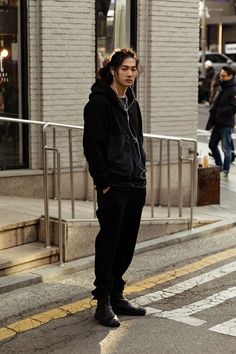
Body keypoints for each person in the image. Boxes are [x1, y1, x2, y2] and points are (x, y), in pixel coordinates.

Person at [83, 48, 146, 327]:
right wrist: (104, 183)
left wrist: (142, 169)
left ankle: (118, 293)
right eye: (125, 69)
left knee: (127, 243)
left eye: (133, 69)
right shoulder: (99, 104)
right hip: (114, 186)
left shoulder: (131, 101)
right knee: (109, 242)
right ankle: (103, 301)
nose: (130, 74)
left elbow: (138, 140)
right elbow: (92, 149)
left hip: (135, 183)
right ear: (113, 70)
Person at [208, 66, 236, 176]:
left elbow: (234, 108)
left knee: (226, 148)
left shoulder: (233, 89)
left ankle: (225, 169)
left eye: (223, 76)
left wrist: (219, 110)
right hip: (217, 122)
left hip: (226, 123)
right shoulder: (222, 86)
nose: (221, 77)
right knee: (212, 145)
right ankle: (219, 165)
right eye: (221, 75)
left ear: (230, 76)